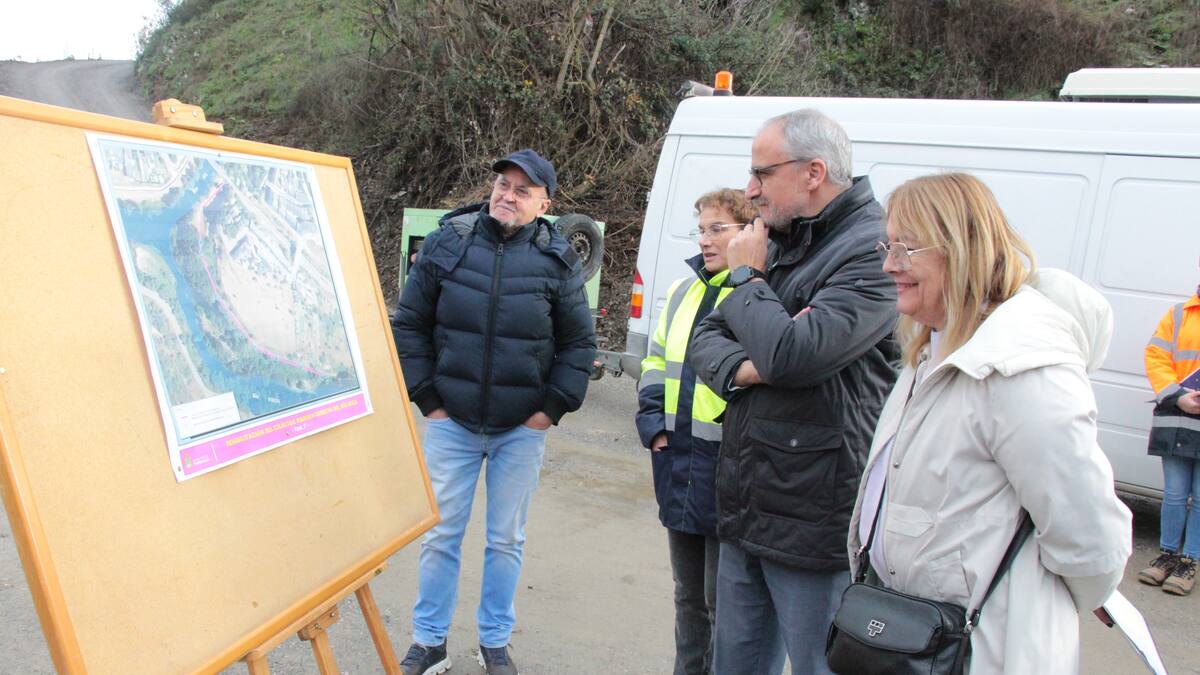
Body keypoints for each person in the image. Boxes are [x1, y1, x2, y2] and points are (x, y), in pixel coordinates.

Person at [847, 172, 1132, 672]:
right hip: (914, 638)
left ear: (961, 248)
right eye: (887, 246)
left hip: (988, 650)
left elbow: (1090, 541)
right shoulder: (933, 351)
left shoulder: (1021, 370)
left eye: (907, 249)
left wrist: (1024, 603)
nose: (890, 265)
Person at [690, 109, 899, 675]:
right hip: (747, 500)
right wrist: (757, 361)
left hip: (814, 515)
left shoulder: (871, 250)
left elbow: (794, 354)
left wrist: (746, 284)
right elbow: (705, 338)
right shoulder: (775, 238)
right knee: (734, 664)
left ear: (813, 171)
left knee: (818, 664)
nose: (750, 189)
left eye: (762, 173)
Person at [391, 149, 597, 675]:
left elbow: (578, 344)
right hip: (450, 423)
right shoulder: (447, 244)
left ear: (545, 204)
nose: (507, 195)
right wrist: (428, 400)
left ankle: (494, 643)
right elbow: (410, 323)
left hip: (519, 431)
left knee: (505, 540)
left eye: (522, 190)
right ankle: (430, 642)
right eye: (502, 184)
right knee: (440, 535)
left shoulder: (557, 260)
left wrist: (548, 411)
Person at [636, 188, 756, 675]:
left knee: (720, 602)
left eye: (717, 229)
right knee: (687, 598)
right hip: (678, 463)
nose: (705, 240)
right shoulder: (683, 292)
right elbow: (654, 361)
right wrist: (653, 427)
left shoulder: (754, 295)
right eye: (701, 229)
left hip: (728, 471)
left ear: (747, 233)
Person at [1138, 270, 1200, 596]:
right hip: (1178, 414)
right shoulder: (1179, 315)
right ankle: (1167, 556)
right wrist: (1178, 396)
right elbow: (1156, 356)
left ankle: (1189, 563)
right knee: (1175, 493)